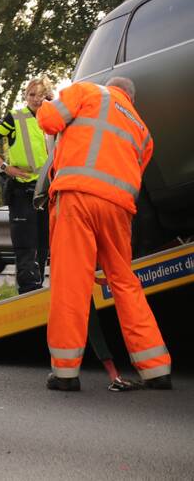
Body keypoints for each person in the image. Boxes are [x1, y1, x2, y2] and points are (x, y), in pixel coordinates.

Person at [37, 77, 171, 391]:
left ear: (111, 87)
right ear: (131, 98)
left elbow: (49, 120)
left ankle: (65, 373)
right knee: (124, 282)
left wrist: (44, 101)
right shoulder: (142, 129)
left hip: (77, 198)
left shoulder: (88, 91)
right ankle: (156, 368)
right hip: (119, 210)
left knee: (72, 281)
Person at [0, 78, 53, 294]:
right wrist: (5, 167)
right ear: (26, 96)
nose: (37, 99)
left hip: (47, 191)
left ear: (49, 97)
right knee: (26, 247)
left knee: (43, 247)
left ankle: (38, 294)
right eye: (32, 95)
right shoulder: (15, 117)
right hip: (22, 191)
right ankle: (28, 295)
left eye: (42, 95)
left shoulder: (55, 118)